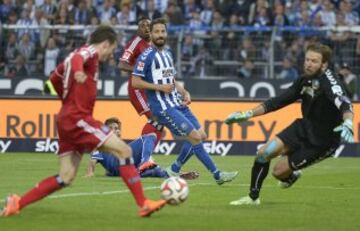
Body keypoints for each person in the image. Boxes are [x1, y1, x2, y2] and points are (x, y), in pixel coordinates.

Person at [1, 25, 166, 218]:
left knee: (66, 176)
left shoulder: (78, 60)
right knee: (125, 150)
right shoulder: (89, 52)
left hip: (66, 120)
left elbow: (54, 79)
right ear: (105, 44)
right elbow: (77, 58)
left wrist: (64, 97)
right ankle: (143, 203)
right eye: (112, 50)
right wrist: (78, 71)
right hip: (78, 119)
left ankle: (17, 203)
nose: (110, 55)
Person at [225, 43, 354, 205]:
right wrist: (247, 114)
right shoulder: (304, 80)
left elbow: (344, 103)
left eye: (314, 61)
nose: (308, 64)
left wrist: (348, 121)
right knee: (263, 153)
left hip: (323, 141)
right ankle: (253, 198)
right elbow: (278, 101)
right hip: (303, 127)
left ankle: (290, 176)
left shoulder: (331, 81)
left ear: (324, 64)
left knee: (278, 172)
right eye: (307, 60)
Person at [131, 18, 238, 185]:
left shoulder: (167, 54)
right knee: (195, 137)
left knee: (201, 135)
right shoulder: (146, 56)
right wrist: (158, 88)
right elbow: (135, 82)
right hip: (163, 107)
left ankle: (174, 168)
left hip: (177, 102)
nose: (160, 35)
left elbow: (171, 80)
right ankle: (217, 175)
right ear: (150, 34)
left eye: (163, 31)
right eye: (157, 32)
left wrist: (184, 91)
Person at [85, 117, 199, 180]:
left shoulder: (119, 146)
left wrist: (109, 172)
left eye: (117, 128)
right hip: (119, 165)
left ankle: (178, 176)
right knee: (150, 136)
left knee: (155, 171)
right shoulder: (101, 145)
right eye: (111, 128)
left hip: (125, 170)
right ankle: (145, 162)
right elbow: (93, 159)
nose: (115, 130)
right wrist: (90, 172)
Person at [119, 16, 163, 172]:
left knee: (160, 124)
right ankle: (145, 159)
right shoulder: (136, 42)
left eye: (148, 25)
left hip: (147, 89)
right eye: (142, 25)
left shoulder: (151, 46)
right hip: (137, 90)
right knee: (155, 119)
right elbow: (122, 64)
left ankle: (144, 158)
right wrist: (139, 70)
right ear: (138, 28)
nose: (146, 28)